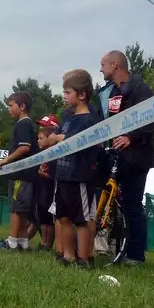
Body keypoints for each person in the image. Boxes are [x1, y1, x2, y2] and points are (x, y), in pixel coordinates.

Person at [98, 50, 154, 265]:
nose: (101, 69)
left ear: (115, 65)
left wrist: (131, 136)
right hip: (114, 154)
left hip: (137, 156)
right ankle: (112, 247)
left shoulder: (142, 89)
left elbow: (151, 119)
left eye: (103, 64)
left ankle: (135, 255)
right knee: (109, 199)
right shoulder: (110, 92)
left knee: (132, 204)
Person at [44, 69, 103, 268]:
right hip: (62, 175)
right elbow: (54, 139)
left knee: (82, 219)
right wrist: (58, 138)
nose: (64, 96)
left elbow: (75, 141)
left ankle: (85, 258)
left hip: (79, 176)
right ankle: (67, 256)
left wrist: (59, 138)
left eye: (68, 92)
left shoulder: (89, 120)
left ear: (82, 94)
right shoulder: (68, 117)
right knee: (64, 216)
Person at [0, 92, 39, 251]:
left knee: (16, 208)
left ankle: (13, 240)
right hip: (28, 175)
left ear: (22, 107)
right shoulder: (29, 124)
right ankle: (23, 240)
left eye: (11, 106)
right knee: (23, 209)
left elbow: (24, 147)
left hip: (20, 174)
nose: (9, 109)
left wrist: (6, 160)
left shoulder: (22, 124)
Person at [34, 114, 60, 253]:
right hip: (40, 188)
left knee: (50, 217)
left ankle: (49, 244)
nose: (39, 140)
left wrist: (48, 175)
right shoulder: (40, 153)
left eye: (45, 127)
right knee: (42, 216)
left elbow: (56, 173)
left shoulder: (56, 153)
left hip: (50, 188)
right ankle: (44, 242)